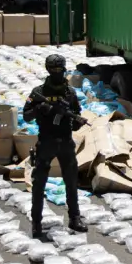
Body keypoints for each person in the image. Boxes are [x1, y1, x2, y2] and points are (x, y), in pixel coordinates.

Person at [23, 54, 88, 240]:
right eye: (54, 70)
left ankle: (75, 218)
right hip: (46, 141)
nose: (57, 73)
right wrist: (41, 109)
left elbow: (75, 114)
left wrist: (77, 122)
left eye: (60, 70)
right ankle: (36, 222)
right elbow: (26, 116)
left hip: (65, 141)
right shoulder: (38, 92)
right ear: (48, 70)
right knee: (39, 183)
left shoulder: (70, 93)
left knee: (71, 181)